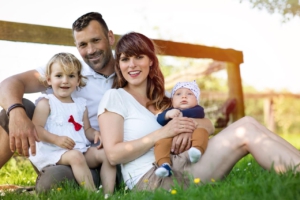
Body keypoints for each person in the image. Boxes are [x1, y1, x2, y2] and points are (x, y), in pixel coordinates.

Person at [0, 12, 191, 192]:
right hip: (67, 152)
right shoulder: (69, 71)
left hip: (111, 156)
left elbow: (168, 104)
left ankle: (101, 188)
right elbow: (9, 84)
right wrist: (16, 112)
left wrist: (182, 128)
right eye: (82, 44)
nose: (91, 50)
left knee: (54, 181)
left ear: (109, 37)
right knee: (19, 107)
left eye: (96, 40)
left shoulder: (131, 69)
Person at [98, 32, 300, 191]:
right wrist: (164, 133)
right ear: (119, 65)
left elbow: (208, 125)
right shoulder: (115, 98)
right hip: (152, 179)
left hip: (184, 161)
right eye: (125, 59)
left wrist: (187, 128)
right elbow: (114, 154)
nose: (131, 65)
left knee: (247, 123)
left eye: (139, 57)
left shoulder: (168, 97)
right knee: (245, 130)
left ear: (151, 61)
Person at [28, 52, 115, 193]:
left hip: (79, 149)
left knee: (107, 154)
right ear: (49, 79)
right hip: (54, 151)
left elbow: (86, 130)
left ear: (78, 80)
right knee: (75, 156)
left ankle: (108, 193)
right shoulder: (47, 103)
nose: (65, 81)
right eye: (59, 76)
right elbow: (36, 129)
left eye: (71, 76)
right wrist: (56, 139)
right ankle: (92, 194)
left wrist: (96, 134)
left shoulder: (81, 105)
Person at [155, 80, 208, 177]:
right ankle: (164, 165)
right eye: (178, 94)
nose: (184, 96)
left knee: (202, 131)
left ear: (196, 100)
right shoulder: (171, 111)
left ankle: (197, 151)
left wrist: (182, 114)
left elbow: (199, 113)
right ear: (172, 100)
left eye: (189, 94)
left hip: (192, 140)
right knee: (161, 142)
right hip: (171, 143)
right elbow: (159, 119)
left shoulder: (197, 109)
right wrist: (167, 115)